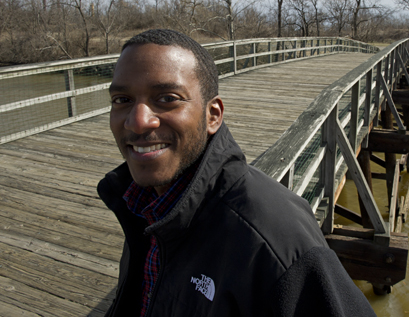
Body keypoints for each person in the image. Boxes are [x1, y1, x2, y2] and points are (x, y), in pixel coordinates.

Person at [98, 29, 377, 317]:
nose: (138, 122)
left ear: (213, 115)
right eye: (122, 100)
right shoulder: (140, 203)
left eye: (167, 98)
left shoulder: (277, 238)